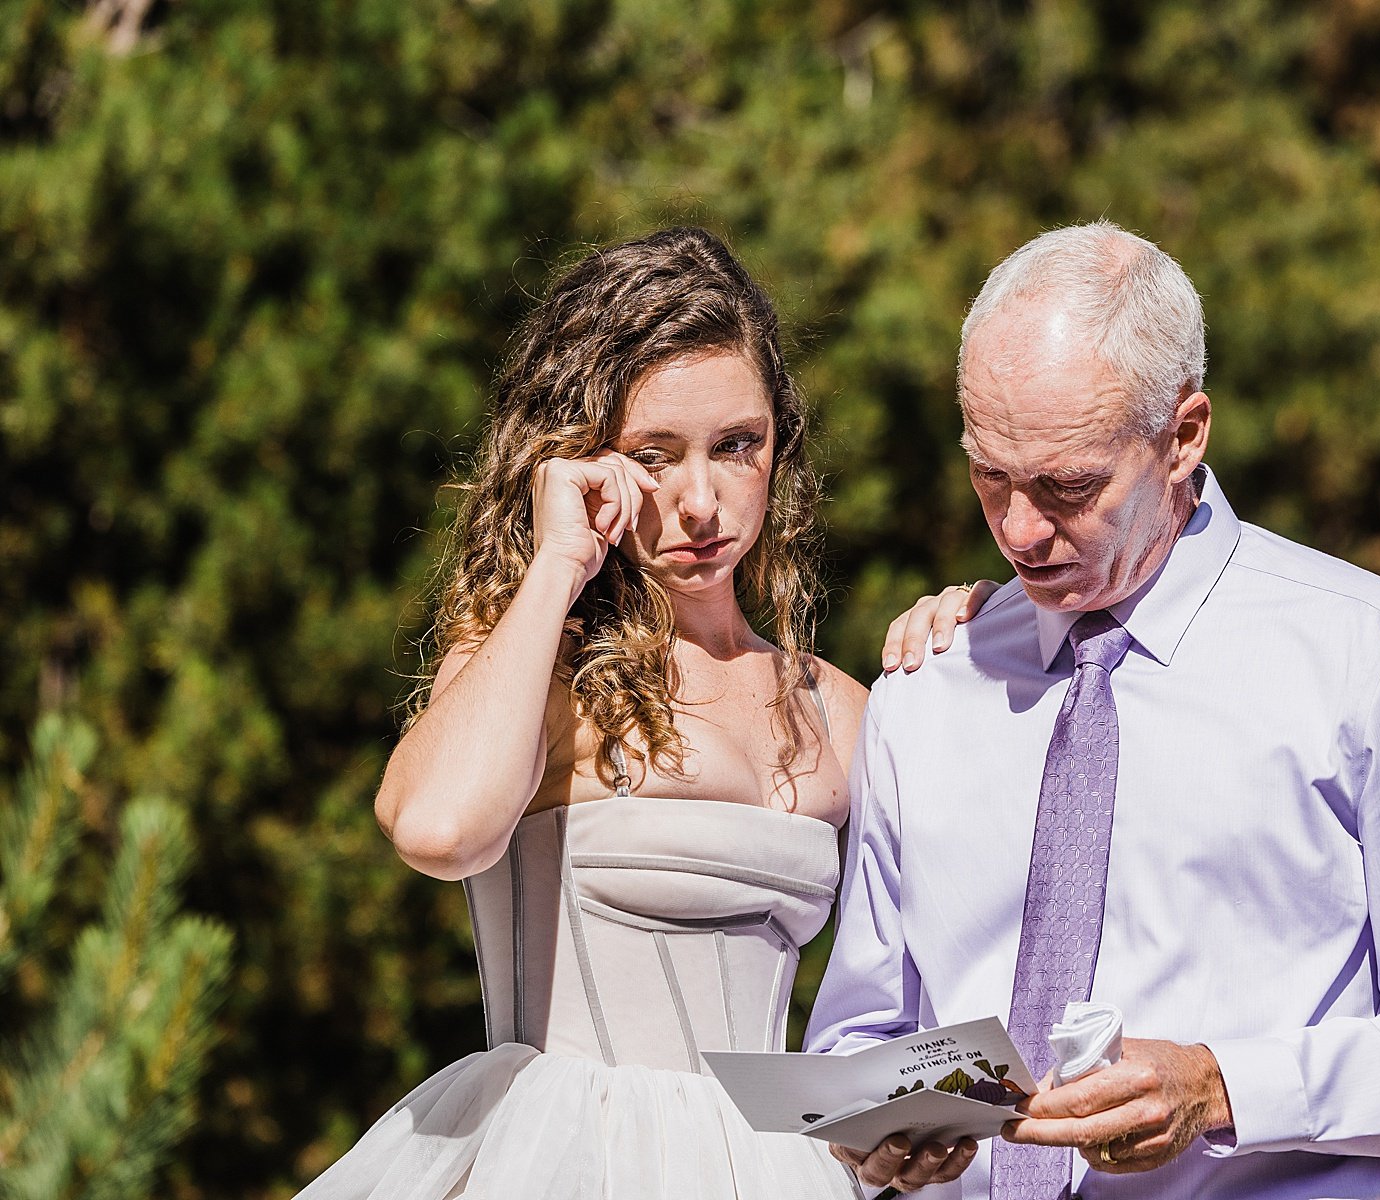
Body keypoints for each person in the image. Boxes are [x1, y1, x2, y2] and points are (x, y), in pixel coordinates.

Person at [806, 221, 1380, 1200]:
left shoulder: (1376, 663)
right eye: (988, 475)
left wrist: (1222, 1089)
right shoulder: (930, 684)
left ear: (1183, 436)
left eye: (1068, 486)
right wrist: (883, 1123)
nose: (1017, 530)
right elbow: (858, 1041)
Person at [293, 227, 958, 1198]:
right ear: (580, 459)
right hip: (560, 1162)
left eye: (738, 446)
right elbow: (437, 829)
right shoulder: (534, 674)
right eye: (655, 454)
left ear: (781, 447)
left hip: (782, 1166)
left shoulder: (840, 709)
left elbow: (949, 965)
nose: (701, 501)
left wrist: (985, 641)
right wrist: (558, 562)